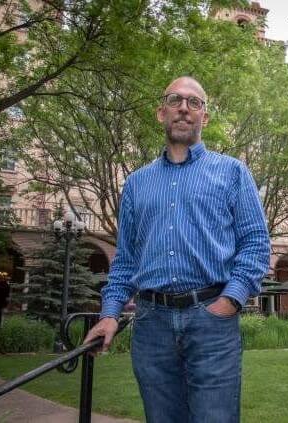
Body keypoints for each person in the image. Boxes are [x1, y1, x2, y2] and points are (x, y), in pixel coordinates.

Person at [83, 76, 270, 423]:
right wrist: (109, 314)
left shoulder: (232, 172)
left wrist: (229, 301)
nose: (184, 108)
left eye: (194, 102)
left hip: (211, 320)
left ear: (205, 117)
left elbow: (256, 243)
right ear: (161, 112)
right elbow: (126, 259)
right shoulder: (137, 183)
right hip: (151, 325)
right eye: (175, 100)